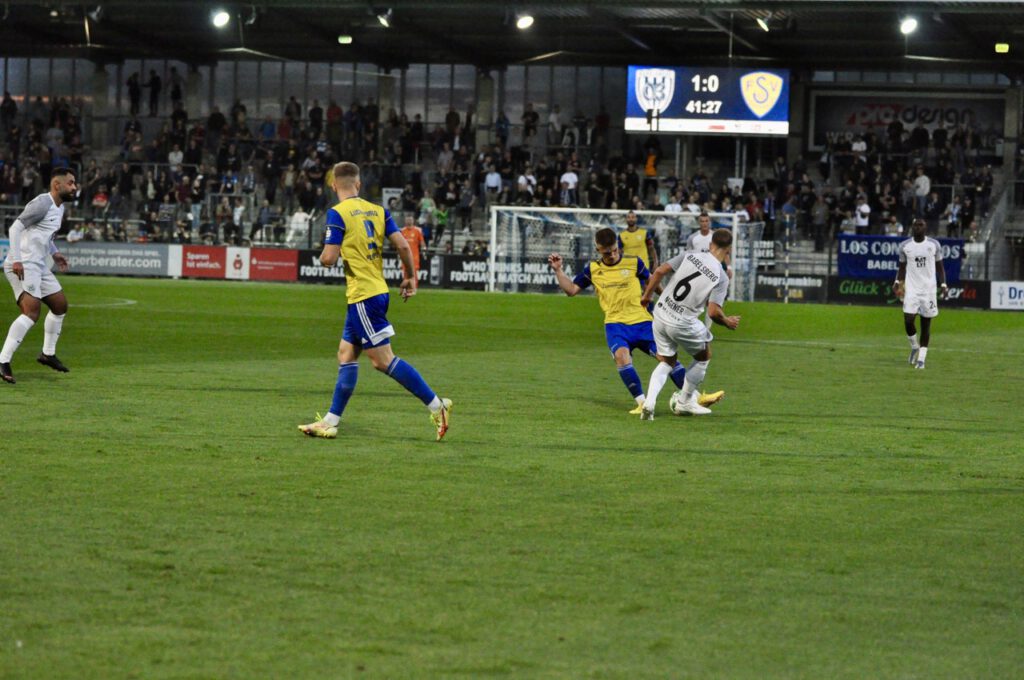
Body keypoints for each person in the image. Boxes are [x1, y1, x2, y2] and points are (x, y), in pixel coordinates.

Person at [298, 162, 452, 440]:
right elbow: (403, 245)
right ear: (358, 184)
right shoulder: (378, 211)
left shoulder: (337, 213)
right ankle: (330, 421)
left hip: (363, 296)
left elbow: (329, 258)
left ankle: (437, 406)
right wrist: (410, 277)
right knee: (346, 354)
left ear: (333, 185)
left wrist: (323, 255)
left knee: (382, 361)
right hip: (374, 291)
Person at [547, 228, 721, 414]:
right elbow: (571, 290)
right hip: (616, 325)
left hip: (643, 322)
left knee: (668, 359)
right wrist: (558, 270)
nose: (612, 255)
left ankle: (695, 397)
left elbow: (653, 282)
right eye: (607, 253)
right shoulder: (593, 269)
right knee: (621, 358)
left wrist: (669, 301)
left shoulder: (633, 262)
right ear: (598, 250)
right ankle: (642, 404)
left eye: (615, 250)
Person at [639, 228, 740, 418]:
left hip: (661, 312)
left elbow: (659, 271)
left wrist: (647, 296)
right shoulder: (721, 276)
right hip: (681, 322)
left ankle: (649, 403)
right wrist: (727, 321)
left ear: (711, 243)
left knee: (667, 361)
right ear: (729, 249)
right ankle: (684, 401)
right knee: (704, 355)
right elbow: (713, 312)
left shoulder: (690, 254)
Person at [1, 168, 78, 384]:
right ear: (57, 185)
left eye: (74, 183)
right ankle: (3, 360)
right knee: (31, 312)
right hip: (23, 264)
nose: (74, 187)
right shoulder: (42, 203)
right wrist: (17, 259)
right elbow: (15, 228)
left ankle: (47, 354)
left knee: (60, 305)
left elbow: (45, 235)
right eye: (70, 183)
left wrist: (55, 253)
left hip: (39, 265)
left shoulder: (59, 207)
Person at [894, 218, 947, 370]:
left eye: (921, 225)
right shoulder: (905, 246)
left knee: (926, 324)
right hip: (911, 289)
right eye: (915, 225)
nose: (918, 227)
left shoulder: (934, 245)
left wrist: (943, 284)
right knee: (908, 320)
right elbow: (902, 268)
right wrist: (897, 282)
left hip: (929, 290)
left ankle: (921, 359)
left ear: (925, 228)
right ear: (912, 228)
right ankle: (914, 346)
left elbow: (940, 267)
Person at [399, 213, 425, 292]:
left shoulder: (417, 230)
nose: (409, 221)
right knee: (405, 272)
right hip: (404, 256)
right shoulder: (402, 231)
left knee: (414, 272)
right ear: (405, 221)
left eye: (410, 219)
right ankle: (406, 287)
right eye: (407, 220)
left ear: (413, 221)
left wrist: (424, 249)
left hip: (414, 256)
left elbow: (422, 242)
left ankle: (414, 287)